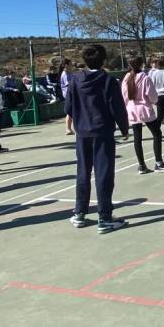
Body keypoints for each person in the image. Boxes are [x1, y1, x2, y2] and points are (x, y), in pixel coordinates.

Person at [66, 44, 130, 233]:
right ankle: (104, 217)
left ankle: (79, 213)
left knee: (83, 172)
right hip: (102, 132)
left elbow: (68, 107)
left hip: (82, 133)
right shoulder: (108, 81)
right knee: (104, 174)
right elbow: (117, 107)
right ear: (103, 60)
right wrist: (124, 128)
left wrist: (80, 119)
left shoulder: (76, 80)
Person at [122, 55, 164, 173]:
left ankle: (142, 165)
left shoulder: (126, 78)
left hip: (132, 109)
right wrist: (153, 101)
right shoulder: (145, 77)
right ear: (141, 65)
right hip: (144, 109)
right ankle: (158, 163)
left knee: (137, 138)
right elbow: (153, 96)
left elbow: (124, 96)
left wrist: (128, 106)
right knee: (157, 133)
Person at [61, 59, 74, 135]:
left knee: (72, 111)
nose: (72, 65)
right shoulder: (65, 74)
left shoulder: (69, 73)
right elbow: (69, 84)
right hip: (68, 94)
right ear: (66, 65)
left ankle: (69, 129)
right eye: (70, 64)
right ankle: (68, 129)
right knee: (70, 111)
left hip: (71, 94)